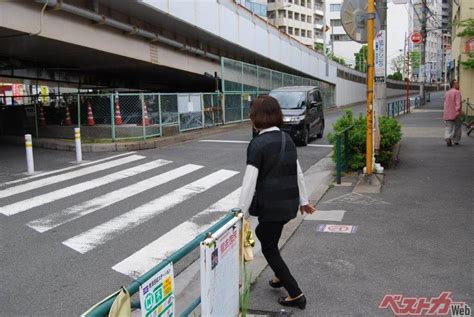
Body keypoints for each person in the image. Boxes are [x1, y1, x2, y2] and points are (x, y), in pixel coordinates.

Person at [239, 95, 316, 310]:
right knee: (267, 235)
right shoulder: (287, 139)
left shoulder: (257, 144)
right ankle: (279, 276)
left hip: (271, 206)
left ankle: (295, 294)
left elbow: (249, 182)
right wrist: (304, 201)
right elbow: (298, 173)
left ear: (256, 118)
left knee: (268, 246)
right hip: (289, 204)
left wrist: (240, 213)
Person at [443, 79, 462, 146]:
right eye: (457, 83)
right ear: (453, 85)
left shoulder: (447, 92)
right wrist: (458, 111)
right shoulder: (457, 92)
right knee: (458, 127)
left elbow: (445, 103)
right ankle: (456, 140)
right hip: (456, 113)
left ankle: (448, 137)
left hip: (448, 113)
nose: (458, 84)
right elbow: (458, 103)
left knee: (448, 127)